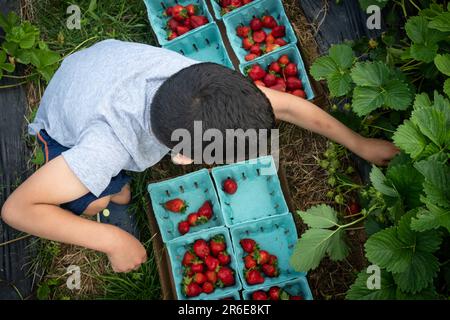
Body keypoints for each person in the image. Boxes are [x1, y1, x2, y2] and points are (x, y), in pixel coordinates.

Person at [0, 40, 399, 273]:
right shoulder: (107, 146)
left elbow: (290, 107)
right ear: (185, 157)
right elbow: (18, 209)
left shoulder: (197, 81)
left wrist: (360, 143)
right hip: (66, 120)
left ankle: (111, 191)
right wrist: (110, 239)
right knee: (99, 200)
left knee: (111, 188)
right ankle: (103, 198)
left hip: (98, 69)